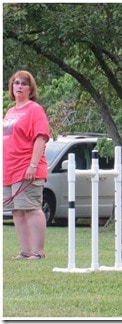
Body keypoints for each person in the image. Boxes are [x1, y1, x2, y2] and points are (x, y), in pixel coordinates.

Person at [3, 70, 51, 260]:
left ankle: (38, 252)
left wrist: (33, 165)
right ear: (11, 87)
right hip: (9, 168)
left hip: (27, 167)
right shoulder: (11, 111)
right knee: (17, 210)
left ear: (31, 89)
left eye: (24, 83)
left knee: (31, 208)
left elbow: (40, 138)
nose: (19, 87)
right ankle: (25, 252)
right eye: (16, 83)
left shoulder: (34, 109)